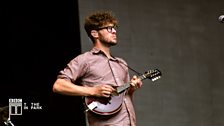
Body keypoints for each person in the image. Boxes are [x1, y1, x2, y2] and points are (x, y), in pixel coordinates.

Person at [52, 10, 143, 126]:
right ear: (95, 34)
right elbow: (59, 85)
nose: (114, 31)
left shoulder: (121, 63)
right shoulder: (84, 60)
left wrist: (132, 89)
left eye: (114, 28)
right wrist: (93, 91)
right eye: (109, 28)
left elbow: (124, 97)